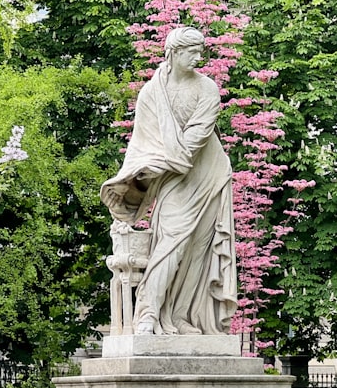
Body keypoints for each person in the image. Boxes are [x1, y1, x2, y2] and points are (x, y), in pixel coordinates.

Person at [100, 26, 237, 336]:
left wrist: (157, 163)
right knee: (171, 244)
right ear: (174, 53)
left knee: (198, 252)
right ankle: (148, 315)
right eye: (192, 53)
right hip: (175, 180)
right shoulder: (152, 93)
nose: (199, 58)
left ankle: (182, 317)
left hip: (209, 175)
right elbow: (143, 143)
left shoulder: (207, 90)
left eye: (201, 52)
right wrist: (138, 172)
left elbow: (192, 143)